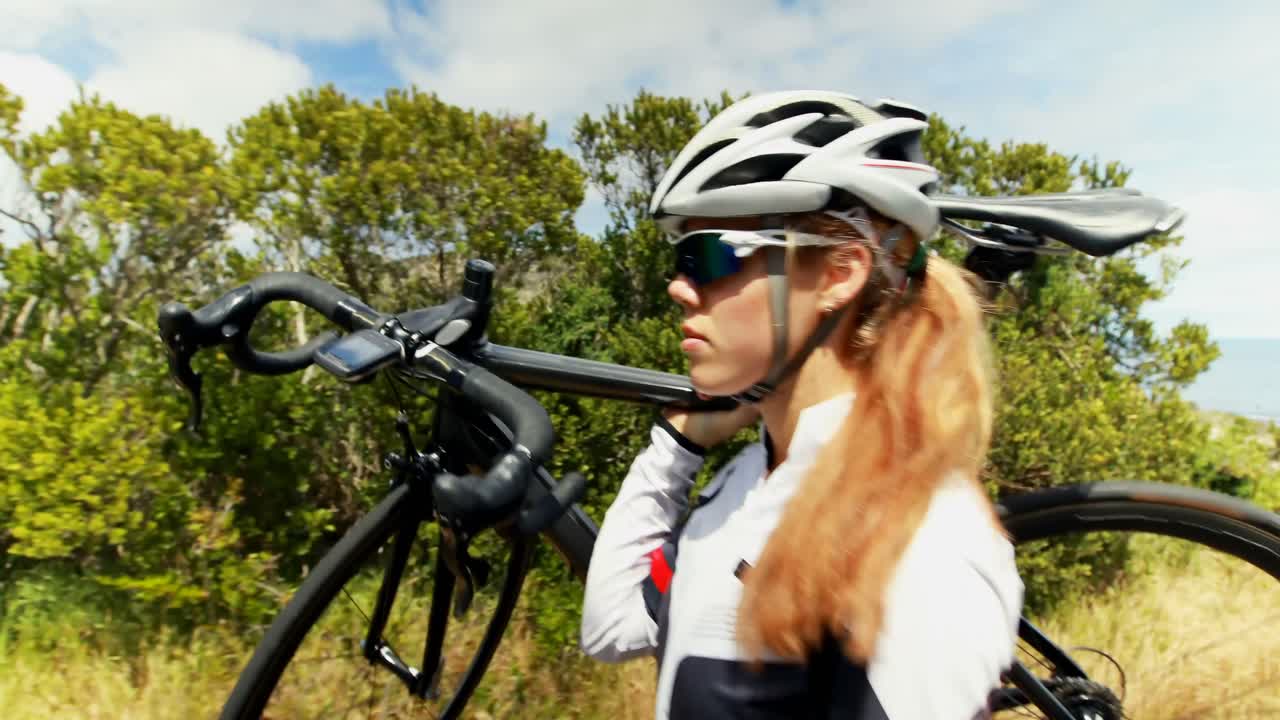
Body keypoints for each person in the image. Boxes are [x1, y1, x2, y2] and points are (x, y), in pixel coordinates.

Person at [580, 90, 1024, 719]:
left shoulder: (923, 537)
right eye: (677, 260)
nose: (678, 287)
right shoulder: (742, 483)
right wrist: (677, 447)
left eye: (708, 256)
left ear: (840, 273)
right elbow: (612, 627)